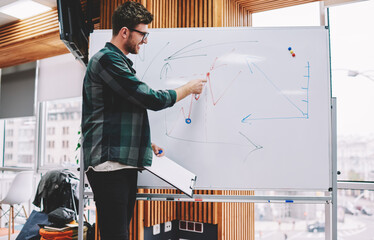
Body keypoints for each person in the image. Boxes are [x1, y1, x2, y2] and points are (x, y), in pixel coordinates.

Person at [81, 2, 206, 240]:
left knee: (119, 234)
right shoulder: (107, 60)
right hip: (109, 166)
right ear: (125, 32)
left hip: (121, 164)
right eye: (143, 34)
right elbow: (150, 98)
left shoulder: (118, 63)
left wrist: (145, 143)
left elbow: (117, 116)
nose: (145, 40)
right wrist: (189, 88)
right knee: (115, 236)